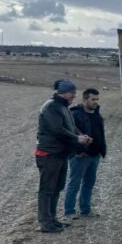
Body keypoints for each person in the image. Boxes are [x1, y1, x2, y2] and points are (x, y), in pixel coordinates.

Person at [35, 79, 91, 233]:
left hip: (60, 154)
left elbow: (71, 127)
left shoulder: (63, 107)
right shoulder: (51, 107)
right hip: (49, 154)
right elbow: (57, 130)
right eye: (72, 93)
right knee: (47, 189)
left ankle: (52, 219)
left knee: (56, 187)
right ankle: (46, 223)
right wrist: (77, 139)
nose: (74, 96)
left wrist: (81, 135)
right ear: (65, 93)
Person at [63, 88, 107, 220]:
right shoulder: (75, 114)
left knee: (89, 183)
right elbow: (69, 135)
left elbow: (100, 133)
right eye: (93, 99)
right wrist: (77, 151)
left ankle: (85, 211)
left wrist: (101, 150)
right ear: (84, 99)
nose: (95, 102)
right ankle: (69, 212)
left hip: (95, 155)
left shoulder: (97, 113)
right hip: (80, 156)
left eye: (97, 99)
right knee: (74, 183)